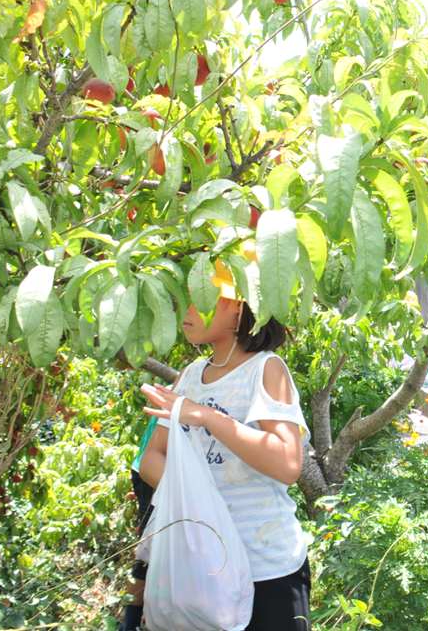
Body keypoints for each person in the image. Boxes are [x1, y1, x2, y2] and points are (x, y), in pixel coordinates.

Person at [138, 247, 310, 631]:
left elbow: (287, 464)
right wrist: (202, 503)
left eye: (200, 298)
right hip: (205, 567)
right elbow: (152, 458)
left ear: (238, 307)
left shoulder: (266, 370)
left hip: (266, 565)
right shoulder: (191, 376)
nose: (186, 311)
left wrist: (208, 418)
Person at [117, 418, 158, 631]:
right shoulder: (188, 389)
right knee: (147, 551)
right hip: (150, 471)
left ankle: (132, 620)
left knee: (148, 548)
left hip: (148, 469)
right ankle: (130, 623)